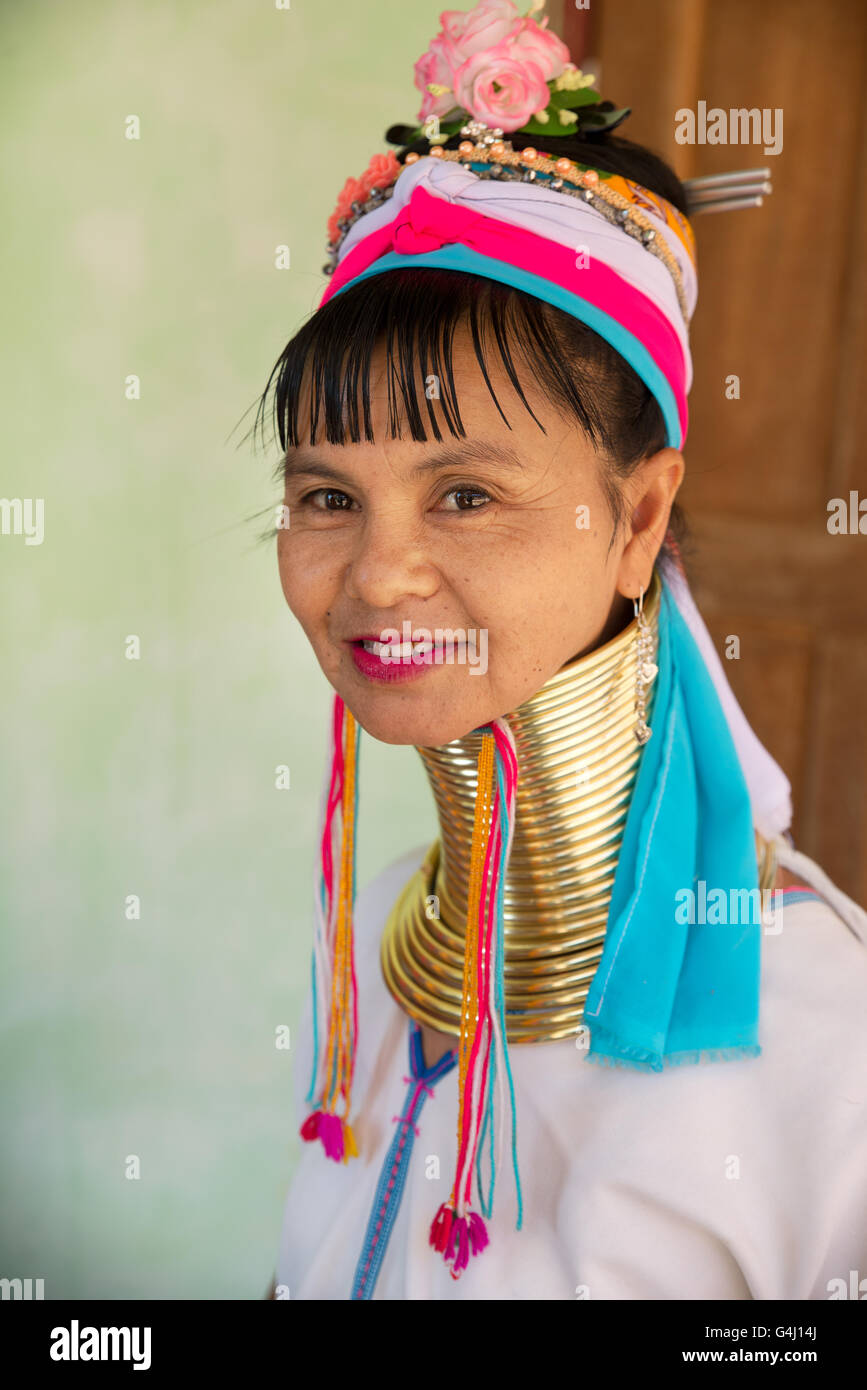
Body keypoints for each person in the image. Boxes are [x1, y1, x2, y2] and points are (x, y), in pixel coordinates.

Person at [257, 0, 867, 1299]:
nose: (376, 575)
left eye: (467, 494)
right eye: (326, 497)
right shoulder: (376, 930)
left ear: (638, 517)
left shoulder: (830, 1043)